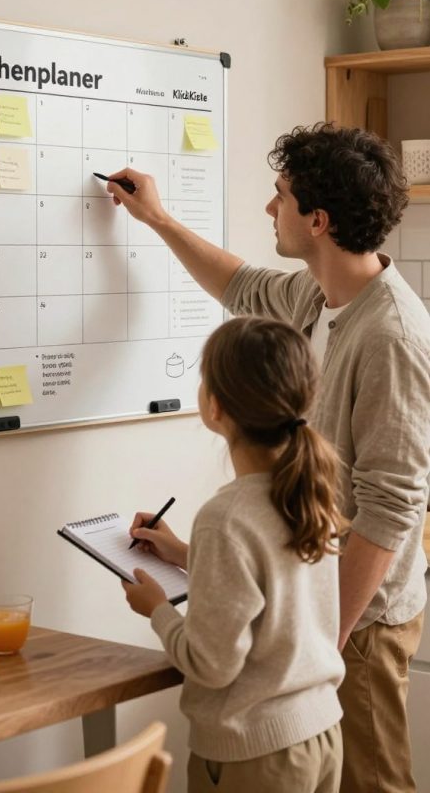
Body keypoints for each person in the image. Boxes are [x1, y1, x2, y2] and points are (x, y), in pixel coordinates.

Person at [109, 123, 430, 793]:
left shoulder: (391, 334)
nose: (267, 208)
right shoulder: (316, 296)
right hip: (314, 614)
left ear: (315, 220)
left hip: (358, 619)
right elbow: (239, 285)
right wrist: (157, 218)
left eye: (277, 196)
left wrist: (322, 640)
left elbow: (391, 505)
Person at [123, 315, 346, 793]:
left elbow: (211, 663)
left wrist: (156, 610)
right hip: (320, 734)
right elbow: (274, 583)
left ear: (215, 406)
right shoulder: (310, 492)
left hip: (256, 756)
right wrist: (184, 552)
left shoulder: (225, 518)